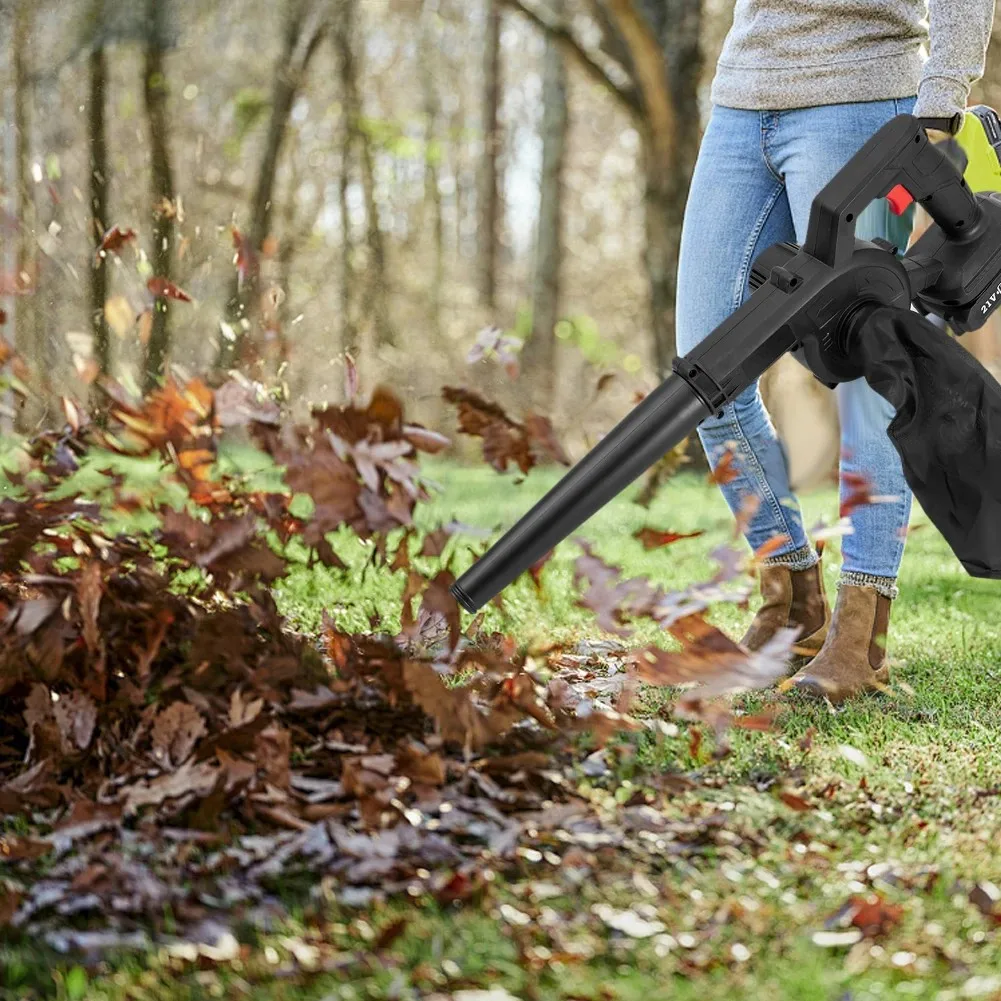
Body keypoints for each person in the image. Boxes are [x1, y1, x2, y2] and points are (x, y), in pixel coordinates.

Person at [676, 1, 996, 702]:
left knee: (869, 381)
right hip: (741, 99)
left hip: (860, 93)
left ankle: (861, 633)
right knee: (705, 372)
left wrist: (941, 98)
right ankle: (792, 605)